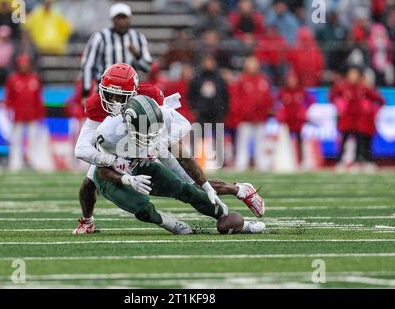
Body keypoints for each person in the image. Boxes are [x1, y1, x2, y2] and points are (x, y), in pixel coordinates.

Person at [72, 63, 265, 234]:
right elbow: (81, 148)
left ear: (133, 93)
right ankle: (87, 221)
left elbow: (179, 125)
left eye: (119, 96)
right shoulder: (100, 112)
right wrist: (113, 161)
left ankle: (239, 191)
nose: (113, 101)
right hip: (120, 144)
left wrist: (158, 146)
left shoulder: (150, 98)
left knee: (191, 183)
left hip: (153, 138)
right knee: (89, 183)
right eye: (109, 94)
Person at [81, 2, 152, 102]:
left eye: (124, 18)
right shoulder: (100, 37)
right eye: (118, 18)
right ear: (112, 20)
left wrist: (137, 55)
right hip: (104, 90)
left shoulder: (138, 38)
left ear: (129, 19)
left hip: (129, 92)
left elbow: (148, 68)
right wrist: (86, 92)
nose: (122, 21)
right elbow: (88, 65)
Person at [230, 56, 274, 171]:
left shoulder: (263, 80)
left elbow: (267, 98)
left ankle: (262, 165)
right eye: (250, 65)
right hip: (245, 119)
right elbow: (237, 100)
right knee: (243, 143)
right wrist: (242, 114)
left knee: (261, 143)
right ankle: (241, 165)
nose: (253, 68)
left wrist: (266, 112)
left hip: (260, 119)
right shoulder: (242, 80)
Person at [5, 55, 45, 171]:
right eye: (22, 64)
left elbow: (38, 98)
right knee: (16, 140)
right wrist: (8, 111)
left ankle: (32, 160)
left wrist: (40, 113)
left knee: (33, 140)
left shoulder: (34, 78)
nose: (24, 67)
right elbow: (9, 98)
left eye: (26, 64)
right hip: (18, 115)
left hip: (32, 115)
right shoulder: (13, 79)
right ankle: (15, 162)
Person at [276, 70, 314, 166]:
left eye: (293, 79)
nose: (292, 81)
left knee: (300, 141)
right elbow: (276, 102)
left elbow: (311, 100)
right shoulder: (283, 91)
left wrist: (303, 109)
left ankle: (301, 161)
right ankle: (288, 160)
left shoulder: (301, 90)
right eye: (290, 79)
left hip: (298, 121)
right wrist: (281, 113)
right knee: (286, 141)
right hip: (287, 120)